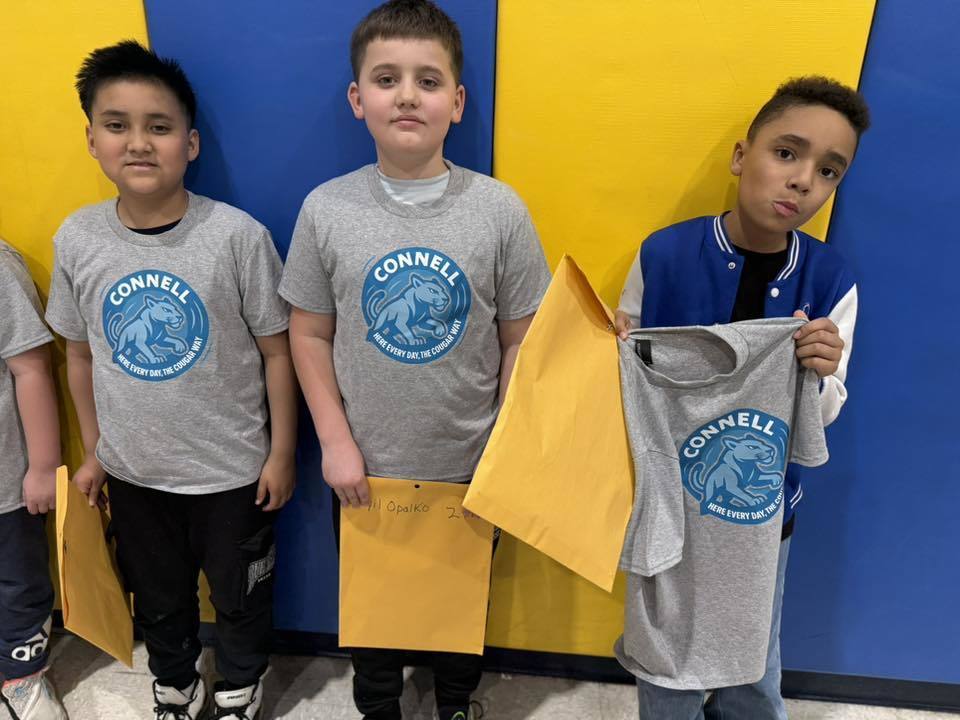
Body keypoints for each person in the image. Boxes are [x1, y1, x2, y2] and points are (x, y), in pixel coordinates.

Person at [280, 2, 551, 718]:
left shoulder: (499, 210)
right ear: (357, 98)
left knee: (461, 607)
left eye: (428, 80)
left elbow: (523, 335)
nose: (407, 94)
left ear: (456, 102)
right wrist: (335, 443)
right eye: (387, 78)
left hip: (471, 465)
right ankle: (378, 704)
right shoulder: (326, 210)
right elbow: (306, 335)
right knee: (375, 618)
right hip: (365, 467)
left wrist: (507, 441)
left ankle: (457, 701)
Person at [45, 40, 297, 720]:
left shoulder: (237, 237)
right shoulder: (78, 240)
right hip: (134, 473)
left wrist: (279, 453)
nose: (139, 143)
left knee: (243, 595)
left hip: (233, 472)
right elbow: (79, 355)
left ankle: (241, 685)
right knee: (156, 596)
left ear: (189, 143)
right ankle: (175, 683)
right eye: (117, 124)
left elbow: (279, 353)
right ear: (92, 139)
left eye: (158, 127)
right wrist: (96, 449)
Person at [615, 76, 870, 719]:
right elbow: (623, 377)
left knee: (753, 663)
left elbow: (824, 415)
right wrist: (610, 350)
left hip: (761, 513)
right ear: (741, 156)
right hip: (666, 503)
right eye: (787, 153)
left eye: (828, 170)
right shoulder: (664, 254)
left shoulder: (830, 278)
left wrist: (819, 374)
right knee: (665, 657)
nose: (803, 180)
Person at [0, 239, 66, 720]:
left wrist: (44, 466)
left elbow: (31, 368)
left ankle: (22, 679)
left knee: (18, 585)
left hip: (5, 485)